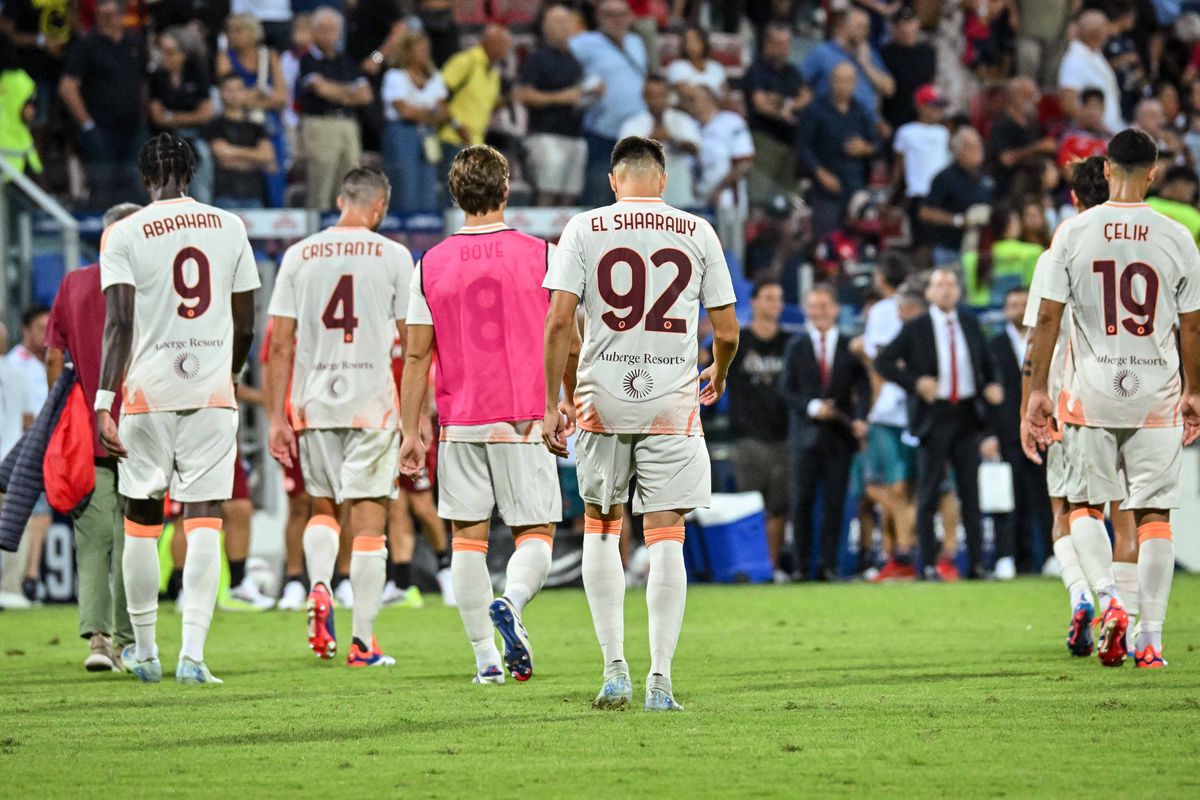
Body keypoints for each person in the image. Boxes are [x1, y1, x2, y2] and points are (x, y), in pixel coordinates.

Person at [542, 136, 739, 711]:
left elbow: (558, 322)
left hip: (601, 399)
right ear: (662, 180)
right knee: (666, 535)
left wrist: (551, 400)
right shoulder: (697, 231)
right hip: (671, 404)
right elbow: (726, 332)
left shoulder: (583, 228)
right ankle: (661, 681)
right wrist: (717, 373)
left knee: (602, 525)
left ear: (612, 181)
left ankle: (613, 670)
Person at [1023, 128, 1200, 670]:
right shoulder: (1178, 236)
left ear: (1104, 171)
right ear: (1153, 174)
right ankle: (1151, 640)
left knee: (1084, 507)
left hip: (1090, 392)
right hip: (1156, 393)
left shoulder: (1072, 234)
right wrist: (1195, 390)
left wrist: (1034, 392)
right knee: (1153, 517)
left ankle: (1109, 598)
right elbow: (1192, 328)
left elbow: (1047, 319)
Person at [96, 132, 259, 684]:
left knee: (142, 521)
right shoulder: (231, 226)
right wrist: (229, 376)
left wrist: (103, 401)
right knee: (204, 518)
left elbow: (117, 323)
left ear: (146, 178)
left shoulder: (124, 232)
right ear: (191, 173)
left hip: (146, 393)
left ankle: (144, 652)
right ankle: (193, 655)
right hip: (211, 392)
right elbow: (245, 324)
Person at [399, 145, 560, 685]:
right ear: (507, 190)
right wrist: (563, 402)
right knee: (534, 533)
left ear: (454, 196)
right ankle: (512, 601)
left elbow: (417, 355)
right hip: (523, 418)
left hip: (460, 420)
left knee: (467, 540)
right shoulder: (542, 254)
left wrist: (409, 430)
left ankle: (485, 662)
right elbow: (568, 337)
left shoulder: (430, 263)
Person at [266, 167, 413, 668]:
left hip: (314, 402)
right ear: (380, 207)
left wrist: (276, 417)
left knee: (321, 507)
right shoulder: (394, 256)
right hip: (371, 403)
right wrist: (418, 413)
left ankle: (320, 584)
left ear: (339, 198)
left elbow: (279, 344)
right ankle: (362, 642)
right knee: (370, 523)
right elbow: (413, 344)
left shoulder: (299, 255)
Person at [1019, 154, 1136, 656]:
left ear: (1072, 199)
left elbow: (1037, 339)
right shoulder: (1144, 248)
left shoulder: (1060, 250)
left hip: (1074, 400)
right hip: (1139, 396)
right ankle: (1141, 634)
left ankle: (1088, 598)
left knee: (1069, 509)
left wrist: (1028, 404)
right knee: (1133, 516)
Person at [45, 202, 141, 671]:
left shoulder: (74, 283)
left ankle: (98, 640)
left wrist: (60, 416)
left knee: (93, 537)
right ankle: (128, 642)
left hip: (89, 428)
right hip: (144, 423)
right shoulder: (149, 280)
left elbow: (53, 357)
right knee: (134, 536)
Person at [875, 269, 1003, 581]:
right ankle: (928, 564)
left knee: (970, 494)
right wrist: (915, 382)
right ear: (929, 294)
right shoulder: (915, 327)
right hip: (934, 416)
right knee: (929, 492)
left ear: (958, 292)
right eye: (939, 285)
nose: (945, 291)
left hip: (967, 415)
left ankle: (975, 564)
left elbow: (990, 363)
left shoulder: (971, 324)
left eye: (950, 285)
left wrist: (992, 384)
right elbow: (884, 362)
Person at [781, 285, 870, 581]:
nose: (818, 312)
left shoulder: (850, 346)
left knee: (835, 505)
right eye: (813, 306)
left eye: (824, 306)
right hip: (804, 437)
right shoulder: (796, 345)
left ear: (835, 309)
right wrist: (811, 407)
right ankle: (801, 568)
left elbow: (865, 388)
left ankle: (830, 566)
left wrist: (860, 418)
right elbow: (785, 389)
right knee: (801, 503)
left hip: (839, 438)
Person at [725, 280, 791, 580]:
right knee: (749, 510)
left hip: (784, 436)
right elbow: (706, 363)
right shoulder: (737, 341)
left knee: (779, 509)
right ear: (753, 302)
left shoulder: (791, 343)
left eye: (778, 298)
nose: (775, 304)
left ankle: (771, 568)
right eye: (768, 297)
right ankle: (749, 568)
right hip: (748, 437)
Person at [857, 258, 918, 580]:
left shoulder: (882, 311)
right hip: (918, 407)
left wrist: (874, 404)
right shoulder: (920, 307)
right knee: (910, 488)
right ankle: (902, 553)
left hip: (890, 410)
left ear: (881, 277)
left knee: (887, 488)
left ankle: (902, 554)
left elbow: (878, 362)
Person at [986, 288, 1052, 579]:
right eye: (1012, 304)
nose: (1017, 309)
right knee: (1009, 497)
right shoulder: (993, 346)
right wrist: (988, 434)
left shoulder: (1048, 342)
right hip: (1006, 433)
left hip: (1044, 432)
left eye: (1023, 304)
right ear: (1004, 310)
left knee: (1048, 496)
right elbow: (983, 390)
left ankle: (1053, 556)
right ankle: (1009, 557)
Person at [58, 0, 146, 206]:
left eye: (110, 15)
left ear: (122, 15)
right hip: (101, 128)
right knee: (102, 185)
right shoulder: (87, 45)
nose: (105, 20)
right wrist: (87, 125)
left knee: (136, 184)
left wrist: (143, 119)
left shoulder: (134, 43)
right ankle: (99, 235)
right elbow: (67, 87)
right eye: (101, 15)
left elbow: (143, 83)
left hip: (132, 128)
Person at [570, 0, 648, 207]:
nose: (617, 20)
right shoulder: (584, 42)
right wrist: (585, 89)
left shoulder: (636, 42)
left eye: (621, 14)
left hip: (637, 132)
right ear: (599, 17)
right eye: (610, 15)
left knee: (635, 198)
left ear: (630, 17)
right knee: (598, 195)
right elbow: (563, 69)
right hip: (603, 132)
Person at [297, 6, 373, 211]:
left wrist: (337, 92)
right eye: (322, 29)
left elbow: (365, 95)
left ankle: (345, 236)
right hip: (321, 124)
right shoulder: (308, 60)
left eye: (332, 29)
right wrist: (349, 93)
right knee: (321, 184)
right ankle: (315, 237)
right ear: (312, 32)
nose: (327, 34)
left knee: (350, 184)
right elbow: (321, 89)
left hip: (348, 124)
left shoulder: (346, 61)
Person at [515, 5, 587, 207]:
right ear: (546, 27)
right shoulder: (537, 58)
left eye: (567, 21)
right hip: (546, 134)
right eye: (557, 22)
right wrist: (560, 98)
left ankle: (564, 239)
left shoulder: (573, 59)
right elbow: (524, 95)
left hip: (574, 134)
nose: (564, 26)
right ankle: (539, 238)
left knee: (570, 195)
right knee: (547, 192)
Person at [795, 61, 877, 238]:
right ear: (830, 81)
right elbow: (803, 147)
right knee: (827, 236)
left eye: (847, 81)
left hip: (856, 184)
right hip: (826, 185)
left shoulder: (861, 111)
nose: (842, 86)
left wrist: (865, 148)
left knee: (859, 235)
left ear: (855, 83)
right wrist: (821, 173)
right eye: (838, 80)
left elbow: (876, 144)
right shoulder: (815, 110)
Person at [215, 13, 289, 208]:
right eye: (229, 31)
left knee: (273, 172)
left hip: (268, 125)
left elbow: (282, 97)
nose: (232, 35)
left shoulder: (268, 55)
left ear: (252, 33)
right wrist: (262, 95)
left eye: (238, 30)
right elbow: (229, 94)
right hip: (239, 124)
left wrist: (250, 98)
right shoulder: (225, 56)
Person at [4, 306, 50, 604]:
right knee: (18, 515)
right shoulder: (13, 366)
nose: (45, 334)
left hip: (46, 449)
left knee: (42, 515)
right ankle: (12, 585)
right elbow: (21, 416)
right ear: (26, 330)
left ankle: (30, 577)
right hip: (20, 450)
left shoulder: (50, 361)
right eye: (39, 327)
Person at [380, 30, 449, 212]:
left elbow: (443, 112)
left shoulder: (435, 77)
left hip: (428, 134)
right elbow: (404, 111)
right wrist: (430, 112)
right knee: (405, 181)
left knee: (429, 183)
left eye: (427, 49)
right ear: (407, 52)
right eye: (420, 49)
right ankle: (401, 229)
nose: (425, 53)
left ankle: (427, 230)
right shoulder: (394, 76)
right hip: (402, 133)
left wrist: (424, 114)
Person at [741, 22, 809, 204]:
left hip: (791, 141)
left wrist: (785, 103)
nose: (783, 49)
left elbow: (807, 96)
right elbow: (761, 103)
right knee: (761, 194)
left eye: (786, 44)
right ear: (767, 44)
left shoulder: (792, 72)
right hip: (765, 140)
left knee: (790, 198)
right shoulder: (757, 71)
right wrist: (785, 109)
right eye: (778, 44)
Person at [437, 24, 511, 187]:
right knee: (453, 192)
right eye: (504, 44)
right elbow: (437, 96)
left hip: (475, 143)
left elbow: (486, 106)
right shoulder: (465, 62)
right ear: (490, 42)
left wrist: (508, 100)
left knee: (469, 195)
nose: (507, 49)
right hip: (453, 140)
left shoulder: (494, 72)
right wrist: (458, 126)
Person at [148, 27, 215, 204]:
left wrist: (173, 117)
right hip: (165, 144)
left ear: (183, 54)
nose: (165, 56)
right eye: (162, 51)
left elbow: (206, 113)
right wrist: (188, 116)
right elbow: (158, 117)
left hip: (196, 141)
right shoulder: (158, 78)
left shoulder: (197, 74)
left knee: (201, 194)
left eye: (170, 52)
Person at [619, 75, 701, 209]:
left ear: (668, 95)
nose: (656, 100)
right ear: (644, 96)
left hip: (679, 192)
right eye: (651, 95)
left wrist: (672, 140)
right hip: (644, 197)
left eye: (660, 95)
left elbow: (695, 149)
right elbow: (622, 158)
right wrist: (648, 143)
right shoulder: (633, 124)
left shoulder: (682, 120)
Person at [800, 8, 894, 125]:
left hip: (867, 124)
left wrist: (866, 64)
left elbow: (889, 88)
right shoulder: (823, 52)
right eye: (860, 26)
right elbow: (800, 81)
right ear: (844, 27)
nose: (865, 31)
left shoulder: (870, 55)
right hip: (833, 121)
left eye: (866, 27)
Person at [920, 127, 994, 266]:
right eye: (970, 147)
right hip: (951, 249)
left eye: (978, 145)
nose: (976, 151)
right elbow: (925, 212)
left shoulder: (986, 177)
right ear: (957, 151)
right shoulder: (944, 177)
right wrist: (958, 220)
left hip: (980, 249)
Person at [205, 73, 275, 210]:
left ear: (245, 92)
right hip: (224, 194)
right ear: (220, 92)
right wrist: (254, 158)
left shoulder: (256, 126)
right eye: (229, 89)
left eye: (238, 89)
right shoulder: (214, 124)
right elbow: (221, 155)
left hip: (254, 194)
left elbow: (267, 156)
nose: (234, 94)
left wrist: (232, 151)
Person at [891, 85, 950, 233]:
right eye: (933, 106)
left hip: (942, 193)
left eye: (940, 107)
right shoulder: (906, 132)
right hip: (918, 192)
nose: (938, 111)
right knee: (920, 238)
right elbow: (898, 168)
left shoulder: (943, 132)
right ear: (920, 107)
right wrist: (891, 196)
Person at [1058, 9, 1124, 136]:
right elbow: (1068, 103)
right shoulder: (1074, 60)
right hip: (1092, 135)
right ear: (1098, 32)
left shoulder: (1095, 54)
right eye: (1105, 27)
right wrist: (1094, 126)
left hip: (1109, 131)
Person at [987, 77, 1057, 196]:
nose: (1035, 100)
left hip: (1033, 184)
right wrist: (1037, 147)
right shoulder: (1001, 124)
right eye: (1029, 95)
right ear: (1016, 96)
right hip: (1009, 187)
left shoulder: (1032, 123)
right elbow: (1006, 160)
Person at [880, 6, 936, 129]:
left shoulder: (928, 51)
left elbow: (931, 83)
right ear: (894, 28)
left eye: (910, 23)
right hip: (894, 117)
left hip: (922, 119)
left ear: (917, 24)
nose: (906, 29)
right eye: (902, 24)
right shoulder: (885, 53)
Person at [666, 24, 727, 102]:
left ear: (703, 42)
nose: (691, 45)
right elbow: (686, 94)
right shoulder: (676, 66)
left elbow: (725, 95)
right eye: (688, 41)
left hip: (716, 110)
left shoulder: (717, 67)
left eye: (695, 40)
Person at [1057, 88, 1109, 173]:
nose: (1092, 112)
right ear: (1081, 109)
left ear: (1103, 109)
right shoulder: (1070, 137)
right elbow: (1067, 170)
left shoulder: (1111, 139)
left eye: (1097, 107)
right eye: (1089, 106)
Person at [1147, 165, 1200, 241]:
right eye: (1190, 186)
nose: (1192, 192)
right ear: (1179, 183)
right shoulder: (1189, 212)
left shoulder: (1147, 203)